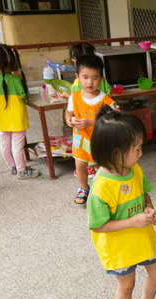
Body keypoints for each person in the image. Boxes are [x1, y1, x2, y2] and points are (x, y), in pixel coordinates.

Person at [88, 106, 156, 299]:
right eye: (137, 149)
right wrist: (132, 221)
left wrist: (150, 209)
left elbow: (144, 193)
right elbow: (98, 226)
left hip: (144, 238)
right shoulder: (101, 187)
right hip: (119, 247)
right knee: (127, 285)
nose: (141, 153)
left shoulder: (134, 169)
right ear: (116, 153)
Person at [0, 44, 40, 180]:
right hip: (17, 119)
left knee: (4, 143)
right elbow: (23, 95)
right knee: (17, 145)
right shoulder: (15, 80)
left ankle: (13, 167)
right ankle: (22, 170)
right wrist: (19, 78)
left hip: (2, 119)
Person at [65, 54, 116, 205]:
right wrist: (70, 120)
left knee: (102, 166)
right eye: (85, 77)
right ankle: (83, 188)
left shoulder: (106, 100)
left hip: (100, 140)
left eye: (95, 78)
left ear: (101, 78)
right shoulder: (74, 97)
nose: (89, 82)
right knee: (80, 165)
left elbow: (113, 120)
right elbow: (68, 114)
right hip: (81, 140)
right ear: (77, 77)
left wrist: (89, 122)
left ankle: (103, 188)